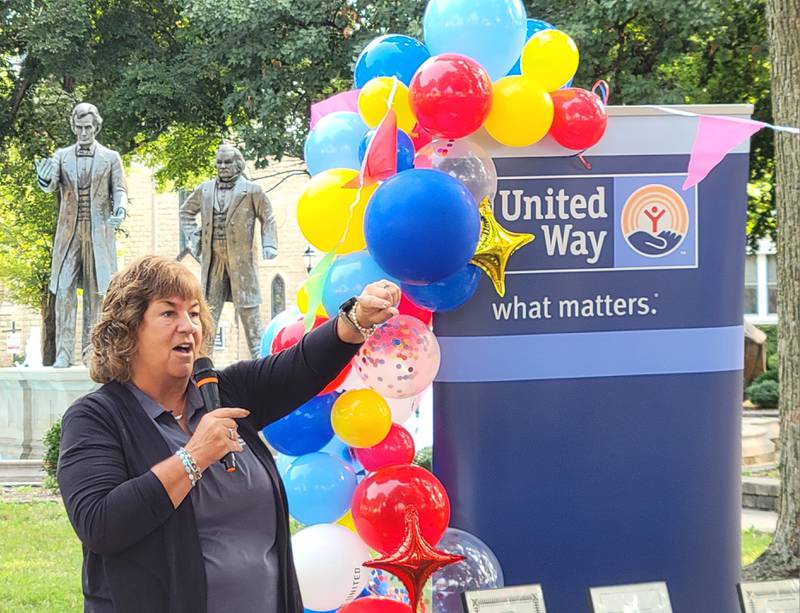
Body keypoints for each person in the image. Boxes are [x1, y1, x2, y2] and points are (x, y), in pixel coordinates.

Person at [57, 254, 400, 613]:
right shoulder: (96, 418)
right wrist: (194, 457)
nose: (188, 325)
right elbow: (101, 524)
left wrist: (356, 319)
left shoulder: (223, 391)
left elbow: (301, 366)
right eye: (169, 312)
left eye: (193, 313)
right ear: (129, 330)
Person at [35, 102, 128, 367]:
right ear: (74, 127)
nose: (84, 132)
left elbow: (120, 189)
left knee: (96, 293)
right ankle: (63, 354)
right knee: (63, 289)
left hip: (99, 232)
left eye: (88, 127)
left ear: (96, 126)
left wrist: (120, 207)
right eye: (79, 128)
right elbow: (50, 182)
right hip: (69, 233)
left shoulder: (111, 157)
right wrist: (43, 179)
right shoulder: (61, 155)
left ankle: (92, 352)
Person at [179, 144, 278, 359]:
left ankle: (262, 363)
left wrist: (269, 244)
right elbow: (186, 212)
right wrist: (194, 239)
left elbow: (267, 217)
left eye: (228, 162)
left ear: (238, 164)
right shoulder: (204, 189)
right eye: (220, 162)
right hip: (213, 261)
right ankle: (201, 365)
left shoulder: (252, 191)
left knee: (249, 313)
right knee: (207, 314)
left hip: (241, 262)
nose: (223, 166)